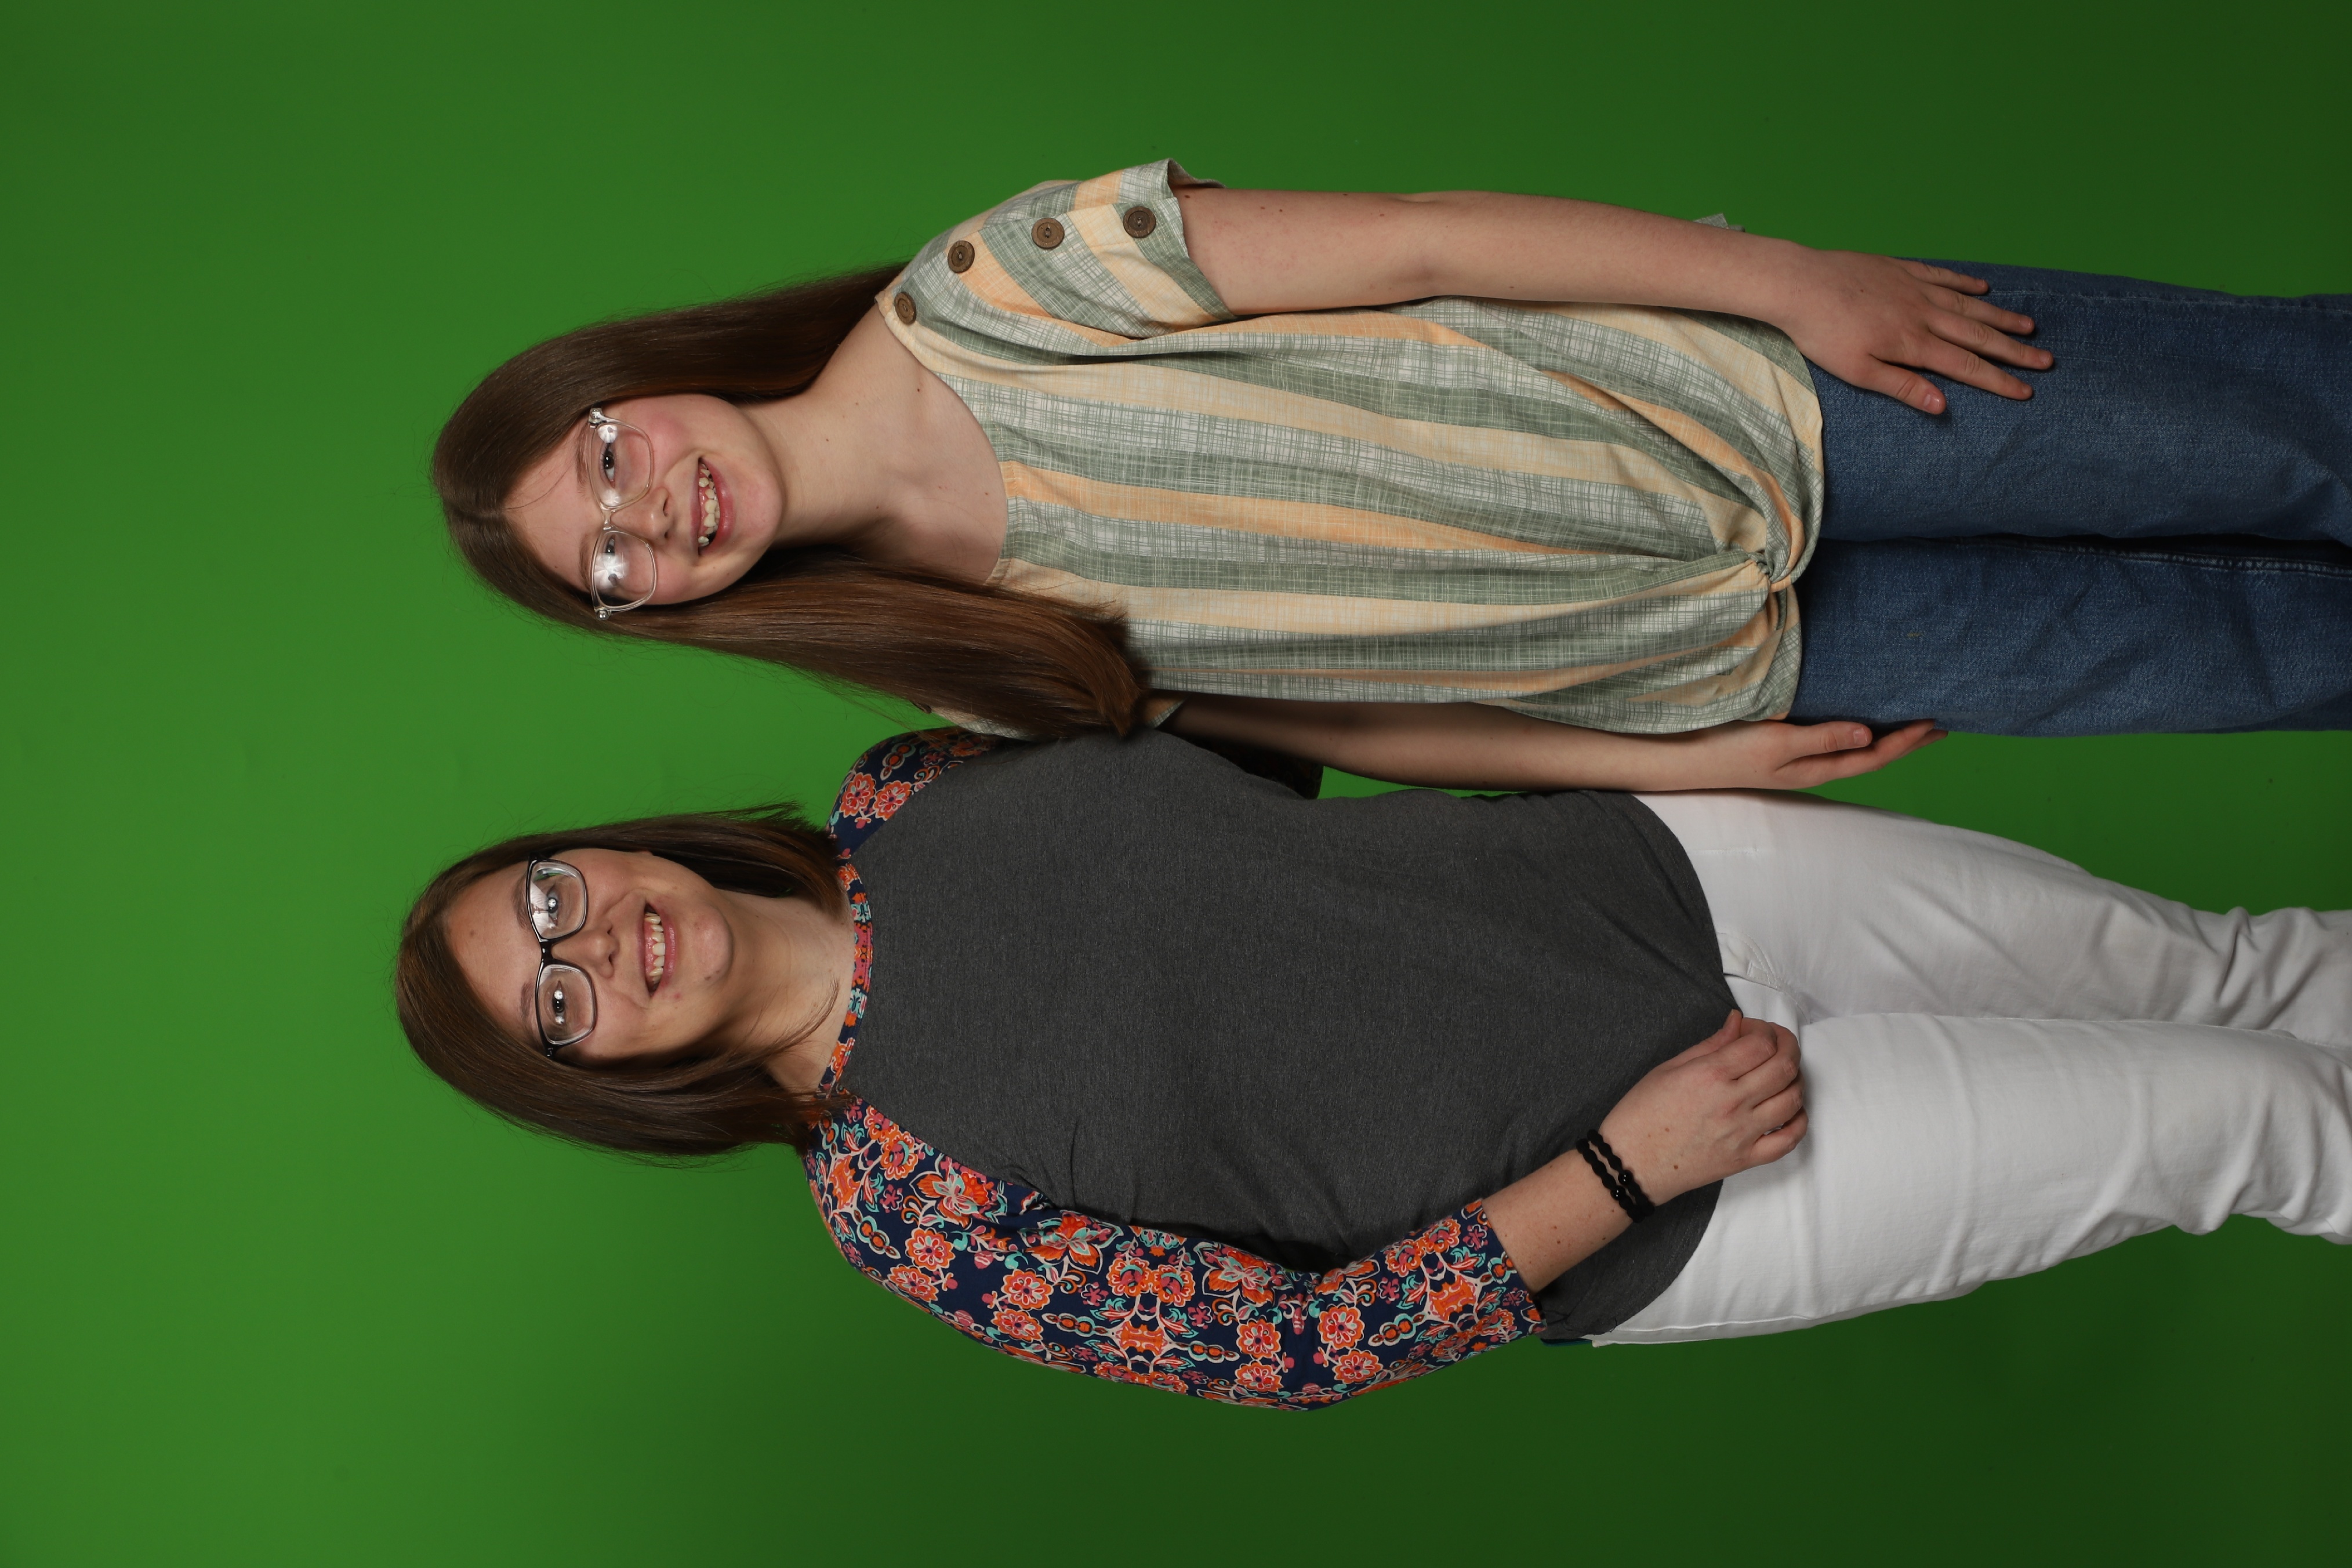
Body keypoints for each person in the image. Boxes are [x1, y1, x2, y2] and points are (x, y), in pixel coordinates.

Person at [395, 727, 2352, 1408]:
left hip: (1666, 878)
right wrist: (1630, 1165)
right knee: (2249, 1117)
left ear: (600, 849)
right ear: (601, 1077)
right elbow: (1281, 1346)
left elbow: (1302, 727)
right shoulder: (897, 1208)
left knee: (2232, 969)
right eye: (556, 1003)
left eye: (553, 900)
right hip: (1700, 1186)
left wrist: (1660, 759)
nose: (599, 948)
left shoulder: (908, 788)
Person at [431, 160, 2352, 793]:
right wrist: (1672, 766)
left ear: (642, 381)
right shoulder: (970, 676)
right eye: (608, 561)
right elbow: (1355, 725)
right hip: (1721, 665)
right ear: (650, 611)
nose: (647, 510)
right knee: (2249, 664)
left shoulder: (997, 286)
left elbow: (1421, 237)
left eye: (606, 455)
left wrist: (1788, 280)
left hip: (1757, 400)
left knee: (2286, 431)